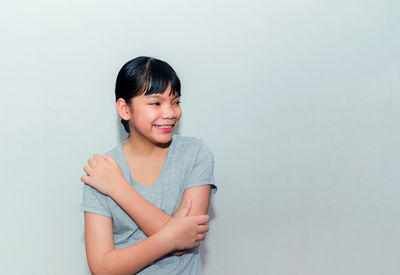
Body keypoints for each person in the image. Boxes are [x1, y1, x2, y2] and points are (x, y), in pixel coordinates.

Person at [80, 56, 217, 275]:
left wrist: (118, 188)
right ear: (125, 109)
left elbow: (187, 241)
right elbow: (102, 268)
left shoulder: (195, 154)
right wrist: (173, 235)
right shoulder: (101, 171)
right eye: (156, 103)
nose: (170, 113)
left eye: (175, 101)